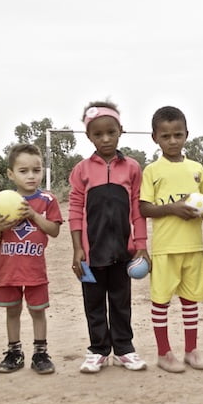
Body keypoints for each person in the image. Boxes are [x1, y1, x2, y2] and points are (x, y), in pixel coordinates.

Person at [68, 102, 149, 373]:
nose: (105, 139)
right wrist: (78, 249)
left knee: (120, 301)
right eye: (98, 134)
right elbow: (76, 212)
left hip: (122, 252)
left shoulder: (133, 168)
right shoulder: (81, 170)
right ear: (89, 136)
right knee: (93, 303)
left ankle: (124, 349)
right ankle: (98, 350)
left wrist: (141, 245)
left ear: (120, 132)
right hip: (90, 255)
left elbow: (138, 210)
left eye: (110, 132)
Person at [139, 106, 203, 373]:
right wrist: (172, 208)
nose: (173, 141)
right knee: (161, 301)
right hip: (165, 248)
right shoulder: (152, 171)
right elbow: (144, 208)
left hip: (193, 247)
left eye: (178, 135)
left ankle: (191, 350)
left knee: (190, 300)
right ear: (155, 138)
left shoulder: (196, 168)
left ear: (186, 135)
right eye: (166, 136)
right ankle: (163, 352)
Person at [0, 143, 63, 375]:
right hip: (8, 269)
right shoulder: (3, 200)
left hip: (34, 269)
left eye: (36, 170)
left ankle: (40, 353)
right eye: (24, 171)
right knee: (12, 311)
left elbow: (53, 230)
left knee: (37, 311)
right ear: (11, 174)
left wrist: (32, 214)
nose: (31, 176)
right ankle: (14, 352)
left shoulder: (47, 200)